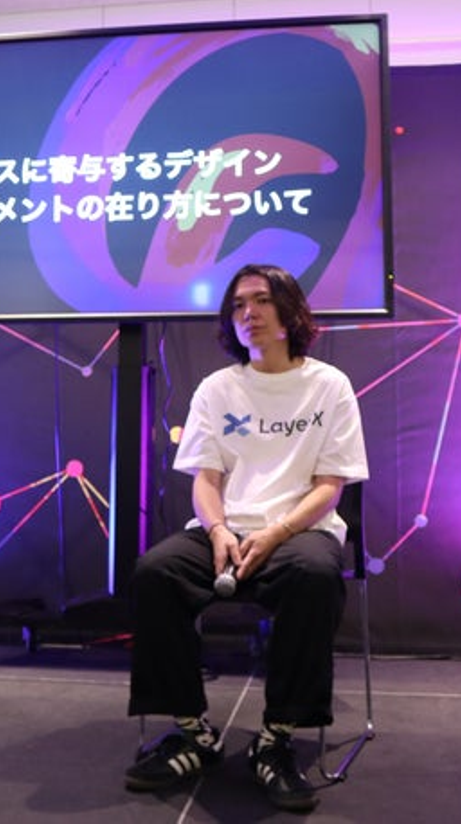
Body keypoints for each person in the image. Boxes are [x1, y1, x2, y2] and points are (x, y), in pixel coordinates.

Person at [125, 263, 369, 813]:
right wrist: (217, 530)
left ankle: (276, 738)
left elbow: (330, 486)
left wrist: (278, 531)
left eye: (260, 300)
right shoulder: (218, 388)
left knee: (314, 576)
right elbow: (206, 480)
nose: (248, 313)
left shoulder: (328, 386)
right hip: (225, 528)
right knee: (155, 572)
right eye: (237, 304)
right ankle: (193, 733)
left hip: (299, 529)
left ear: (290, 311)